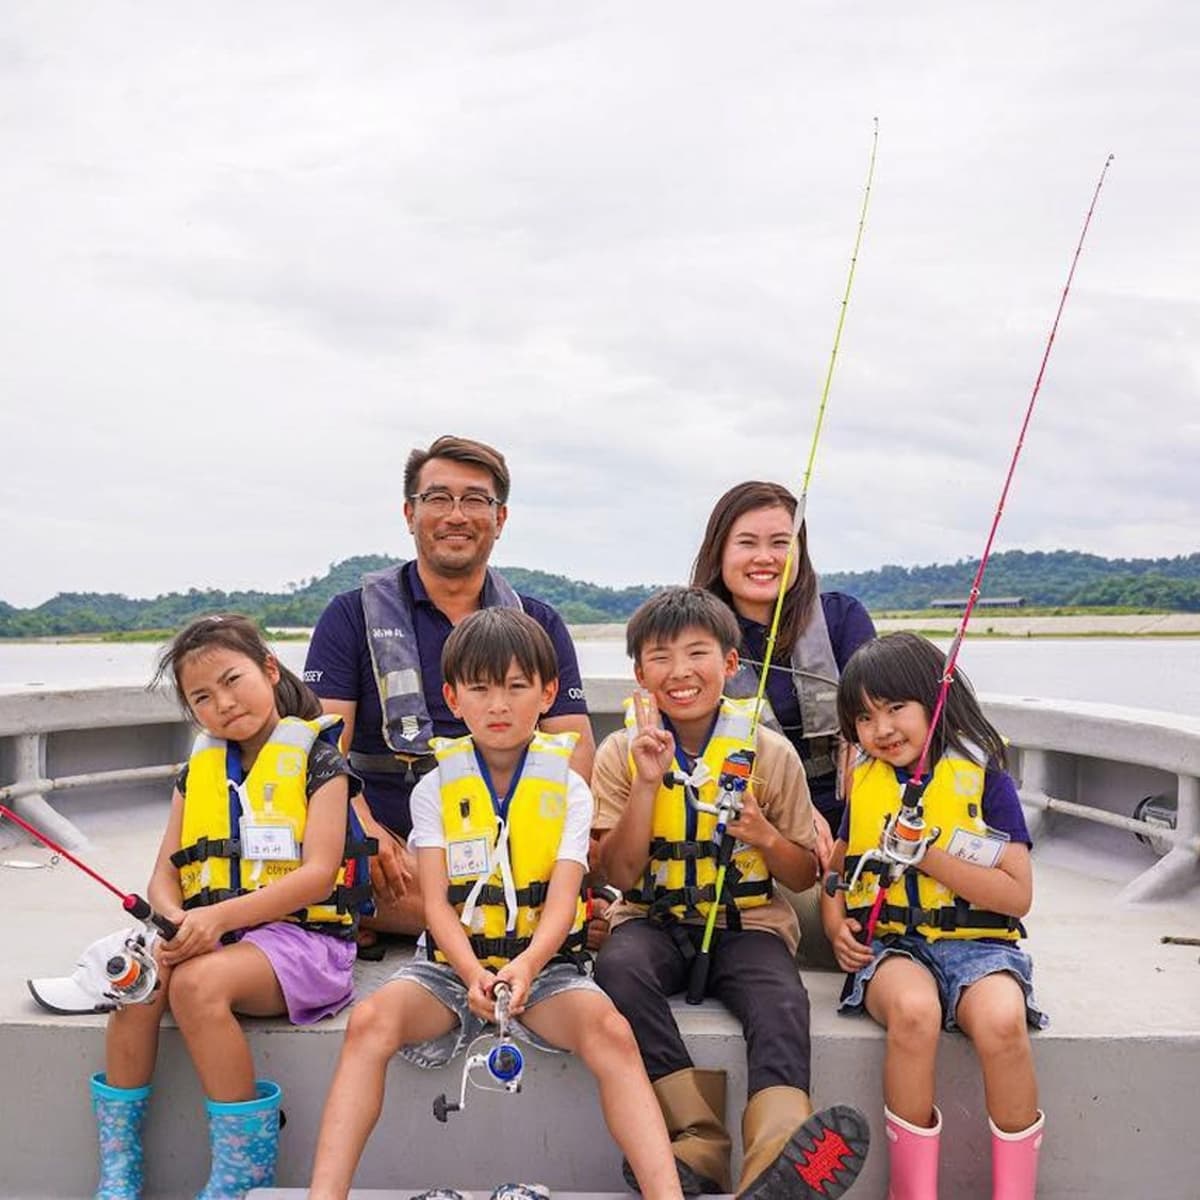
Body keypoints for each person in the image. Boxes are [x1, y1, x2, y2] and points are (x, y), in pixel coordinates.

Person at [308, 609, 682, 1200]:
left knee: (611, 1031)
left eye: (515, 686)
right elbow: (433, 904)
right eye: (480, 688)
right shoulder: (435, 788)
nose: (498, 705)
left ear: (547, 692)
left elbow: (563, 902)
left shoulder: (569, 788)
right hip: (450, 967)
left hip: (546, 968)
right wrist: (471, 973)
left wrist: (527, 966)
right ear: (453, 698)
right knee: (371, 1022)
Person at [591, 588, 870, 1200]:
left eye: (698, 654)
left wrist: (764, 835)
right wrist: (645, 784)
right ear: (639, 674)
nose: (681, 672)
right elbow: (618, 872)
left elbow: (799, 876)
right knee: (617, 968)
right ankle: (696, 1140)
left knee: (782, 1004)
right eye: (660, 658)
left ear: (732, 663)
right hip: (652, 917)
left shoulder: (769, 752)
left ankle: (776, 1157)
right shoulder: (619, 751)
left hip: (749, 923)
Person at [91, 614, 370, 1200]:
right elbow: (165, 874)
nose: (223, 702)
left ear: (270, 670)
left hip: (304, 942)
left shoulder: (321, 760)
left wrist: (216, 920)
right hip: (219, 936)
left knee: (195, 986)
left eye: (232, 679)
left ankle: (243, 1170)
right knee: (137, 980)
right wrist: (171, 919)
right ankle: (120, 1168)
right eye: (202, 697)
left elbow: (319, 875)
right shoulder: (199, 773)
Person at [304, 435, 594, 940]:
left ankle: (425, 914)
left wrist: (533, 840)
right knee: (336, 853)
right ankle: (523, 920)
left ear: (499, 519)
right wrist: (363, 828)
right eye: (437, 498)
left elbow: (576, 748)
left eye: (475, 500)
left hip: (508, 835)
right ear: (409, 513)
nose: (455, 515)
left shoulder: (539, 622)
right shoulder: (349, 616)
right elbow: (322, 747)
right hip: (389, 841)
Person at [821, 632, 1047, 1199]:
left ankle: (1016, 1192)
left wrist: (929, 856)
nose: (882, 728)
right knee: (915, 1012)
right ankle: (912, 1191)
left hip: (981, 949)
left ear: (935, 701)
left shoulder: (985, 778)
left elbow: (1017, 896)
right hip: (894, 949)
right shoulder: (865, 782)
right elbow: (835, 872)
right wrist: (834, 925)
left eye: (896, 708)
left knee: (1001, 1021)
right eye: (865, 717)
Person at [691, 480, 876, 856]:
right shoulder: (694, 635)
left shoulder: (843, 618)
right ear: (719, 552)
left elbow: (880, 723)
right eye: (746, 543)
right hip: (749, 811)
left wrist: (848, 833)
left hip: (848, 809)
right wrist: (797, 812)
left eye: (780, 543)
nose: (765, 557)